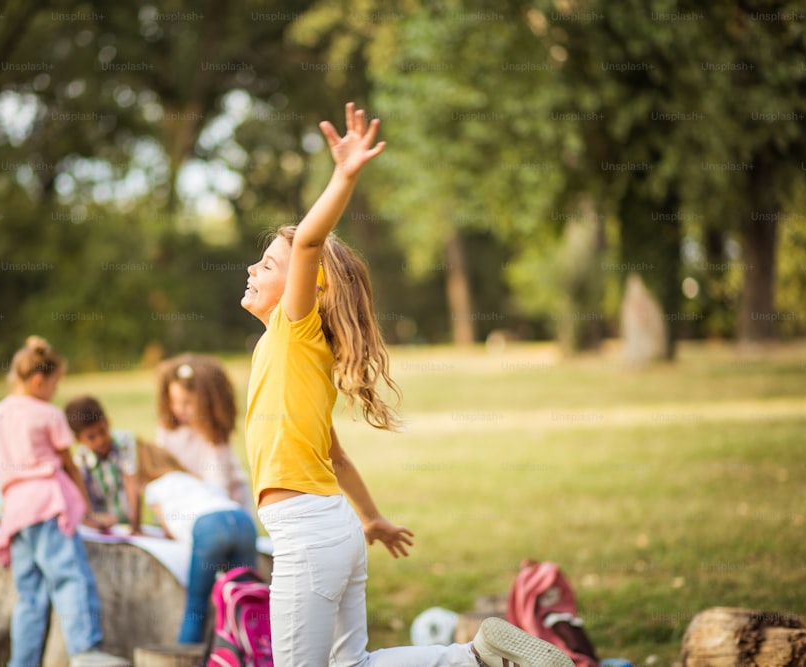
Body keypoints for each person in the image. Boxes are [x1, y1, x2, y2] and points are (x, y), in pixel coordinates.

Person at [239, 103, 575, 667]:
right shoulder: (295, 352)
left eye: (268, 264)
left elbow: (308, 244)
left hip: (306, 532)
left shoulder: (294, 332)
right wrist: (370, 518)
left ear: (310, 288)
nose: (253, 269)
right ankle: (474, 659)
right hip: (337, 527)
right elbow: (334, 455)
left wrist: (343, 176)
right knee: (353, 666)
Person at [0, 336, 130, 667]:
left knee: (29, 595)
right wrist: (90, 512)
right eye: (55, 384)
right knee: (70, 578)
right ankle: (85, 652)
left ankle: (23, 661)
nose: (56, 391)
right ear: (37, 381)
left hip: (15, 512)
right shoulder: (48, 414)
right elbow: (70, 465)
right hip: (46, 506)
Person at [137, 443, 258, 644]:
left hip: (210, 527)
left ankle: (188, 659)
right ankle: (247, 657)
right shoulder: (195, 480)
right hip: (243, 521)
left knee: (196, 606)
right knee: (243, 601)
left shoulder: (154, 487)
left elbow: (168, 530)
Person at [155, 353, 253, 515]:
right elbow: (163, 472)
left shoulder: (215, 437)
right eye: (174, 401)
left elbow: (218, 486)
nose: (178, 408)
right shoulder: (168, 429)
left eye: (186, 402)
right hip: (188, 499)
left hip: (225, 502)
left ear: (207, 403)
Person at [65, 395, 143, 534]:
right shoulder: (80, 461)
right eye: (91, 437)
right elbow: (80, 502)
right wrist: (94, 521)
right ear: (78, 439)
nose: (100, 440)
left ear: (107, 422)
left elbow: (132, 483)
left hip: (127, 523)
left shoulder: (124, 441)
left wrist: (135, 526)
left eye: (102, 431)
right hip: (102, 528)